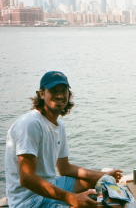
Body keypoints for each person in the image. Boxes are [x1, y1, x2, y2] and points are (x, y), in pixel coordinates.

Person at [5, 71, 123, 208]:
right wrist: (72, 199)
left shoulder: (59, 126)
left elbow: (65, 168)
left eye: (64, 91)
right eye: (54, 91)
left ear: (69, 94)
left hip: (52, 183)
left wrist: (103, 175)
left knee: (95, 182)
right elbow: (26, 178)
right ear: (41, 94)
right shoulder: (30, 123)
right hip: (29, 200)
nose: (60, 95)